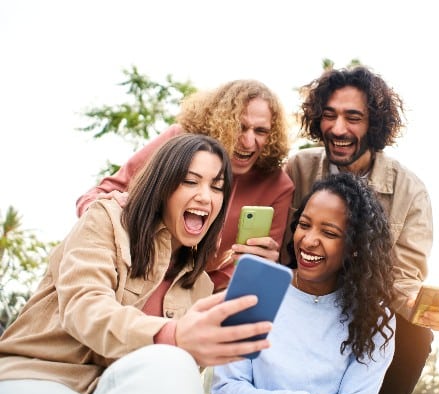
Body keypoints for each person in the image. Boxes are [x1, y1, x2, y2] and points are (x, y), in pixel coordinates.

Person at [0, 134, 273, 394]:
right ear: (162, 186)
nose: (205, 196)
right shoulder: (106, 219)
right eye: (190, 181)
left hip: (116, 388)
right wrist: (170, 334)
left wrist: (252, 284)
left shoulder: (201, 285)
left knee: (175, 364)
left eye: (216, 187)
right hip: (42, 374)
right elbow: (83, 307)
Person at [283, 66, 439, 394]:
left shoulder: (410, 192)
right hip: (302, 298)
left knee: (415, 334)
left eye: (353, 117)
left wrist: (420, 306)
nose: (338, 128)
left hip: (360, 306)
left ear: (374, 125)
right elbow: (280, 251)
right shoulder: (298, 169)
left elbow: (403, 277)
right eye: (329, 115)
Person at [76, 79, 294, 292]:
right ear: (221, 122)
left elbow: (251, 271)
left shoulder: (278, 185)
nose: (248, 142)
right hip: (130, 273)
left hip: (195, 293)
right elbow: (96, 196)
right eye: (240, 127)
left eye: (261, 131)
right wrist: (109, 223)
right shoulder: (179, 142)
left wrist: (261, 267)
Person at [212, 173, 396, 394]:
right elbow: (225, 388)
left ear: (354, 247)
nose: (308, 241)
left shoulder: (374, 317)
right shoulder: (256, 290)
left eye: (329, 233)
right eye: (304, 225)